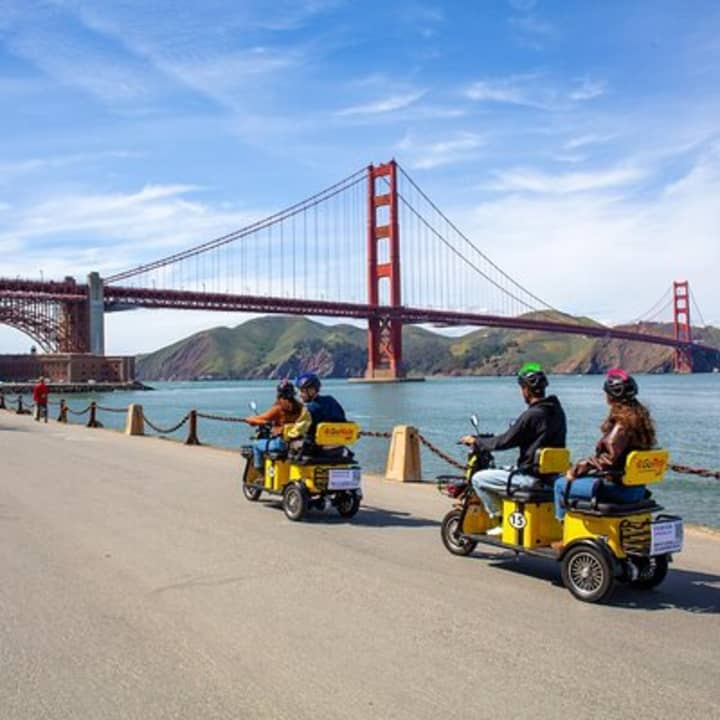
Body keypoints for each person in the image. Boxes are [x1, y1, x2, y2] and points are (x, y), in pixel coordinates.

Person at [460, 362, 567, 534]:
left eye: (522, 388)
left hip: (532, 479)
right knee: (504, 470)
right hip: (551, 478)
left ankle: (501, 520)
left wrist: (476, 441)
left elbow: (504, 442)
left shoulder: (532, 415)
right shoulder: (557, 411)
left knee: (479, 479)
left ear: (526, 390)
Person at [553, 368, 655, 521]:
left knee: (560, 484)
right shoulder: (641, 422)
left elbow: (607, 461)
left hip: (618, 490)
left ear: (611, 397)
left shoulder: (622, 425)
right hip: (638, 489)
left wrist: (576, 470)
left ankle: (563, 533)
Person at [244, 380, 310, 477]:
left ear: (279, 393)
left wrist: (250, 419)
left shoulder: (279, 408)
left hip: (282, 443)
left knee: (256, 445)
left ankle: (261, 473)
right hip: (296, 442)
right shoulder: (300, 407)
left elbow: (264, 418)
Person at [295, 372, 346, 448]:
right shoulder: (331, 400)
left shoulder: (309, 408)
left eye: (302, 391)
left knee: (290, 443)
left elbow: (298, 431)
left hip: (316, 449)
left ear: (311, 390)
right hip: (338, 448)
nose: (299, 395)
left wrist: (285, 433)